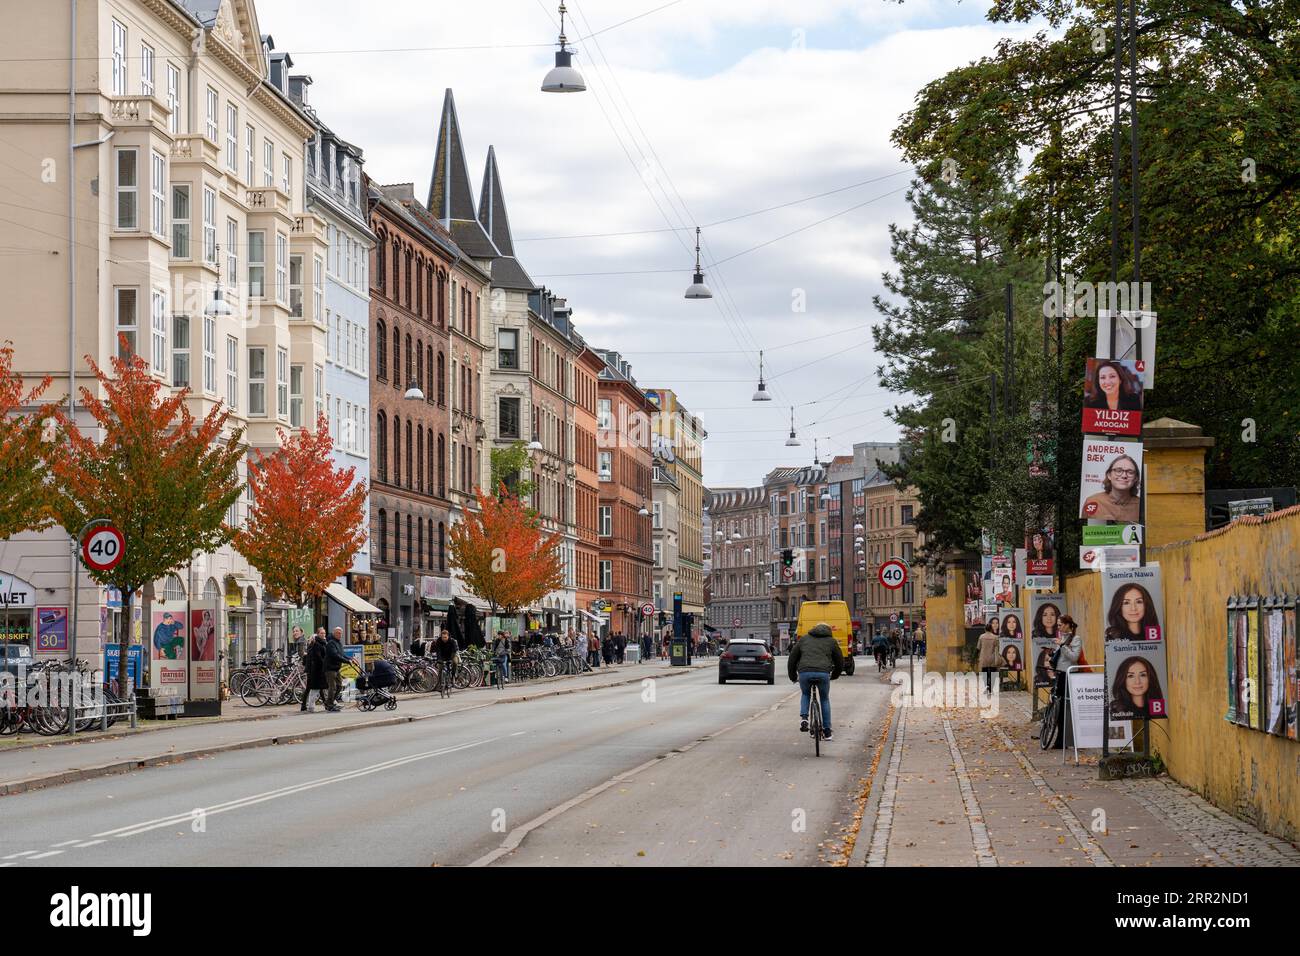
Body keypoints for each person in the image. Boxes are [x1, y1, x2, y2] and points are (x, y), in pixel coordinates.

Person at [787, 623, 844, 740]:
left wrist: (793, 676)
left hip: (804, 672)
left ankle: (804, 718)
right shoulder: (831, 641)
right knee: (824, 698)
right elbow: (839, 661)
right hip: (823, 673)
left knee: (805, 693)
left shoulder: (804, 639)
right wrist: (835, 675)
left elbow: (792, 658)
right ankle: (827, 731)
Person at [1082, 454, 1141, 522]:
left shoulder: (1141, 505)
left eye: (1130, 472)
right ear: (1109, 475)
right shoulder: (1092, 501)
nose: (1124, 475)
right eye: (1118, 471)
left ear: (1136, 478)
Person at [301, 630, 328, 712]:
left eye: (324, 633)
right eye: (321, 633)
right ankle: (306, 705)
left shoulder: (312, 646)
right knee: (312, 687)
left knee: (316, 687)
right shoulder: (314, 646)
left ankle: (324, 704)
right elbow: (317, 658)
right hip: (312, 670)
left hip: (312, 670)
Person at [323, 627, 346, 712]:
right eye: (338, 633)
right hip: (330, 668)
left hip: (336, 668)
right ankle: (330, 705)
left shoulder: (339, 643)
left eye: (341, 633)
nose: (340, 635)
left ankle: (329, 702)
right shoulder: (331, 643)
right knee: (332, 687)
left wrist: (350, 659)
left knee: (339, 686)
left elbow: (342, 654)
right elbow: (335, 655)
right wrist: (346, 661)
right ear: (334, 633)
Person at [977, 620, 1000, 693]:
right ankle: (991, 689)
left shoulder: (981, 637)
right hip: (992, 657)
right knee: (992, 674)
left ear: (985, 629)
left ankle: (987, 687)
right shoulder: (995, 637)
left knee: (985, 674)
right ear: (991, 629)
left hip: (984, 658)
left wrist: (976, 656)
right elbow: (997, 648)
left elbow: (978, 647)